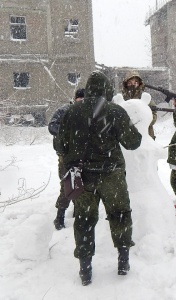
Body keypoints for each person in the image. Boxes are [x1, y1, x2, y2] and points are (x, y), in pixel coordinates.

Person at [57, 70, 142, 286]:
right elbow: (133, 142)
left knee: (84, 220)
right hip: (111, 174)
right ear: (107, 90)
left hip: (82, 177)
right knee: (120, 214)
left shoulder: (72, 111)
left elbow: (59, 145)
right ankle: (123, 261)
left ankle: (85, 270)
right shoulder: (114, 111)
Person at [48, 88, 85, 230]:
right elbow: (52, 127)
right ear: (75, 98)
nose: (81, 102)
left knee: (82, 186)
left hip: (84, 157)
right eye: (79, 99)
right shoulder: (64, 110)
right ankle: (60, 217)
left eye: (84, 99)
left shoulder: (90, 113)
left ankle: (78, 213)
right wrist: (70, 132)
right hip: (66, 157)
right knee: (67, 186)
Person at [122, 70, 157, 139]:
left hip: (146, 136)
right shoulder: (122, 99)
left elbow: (154, 117)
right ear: (126, 84)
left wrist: (142, 120)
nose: (133, 84)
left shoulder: (145, 97)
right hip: (127, 138)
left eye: (135, 82)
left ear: (139, 84)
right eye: (130, 82)